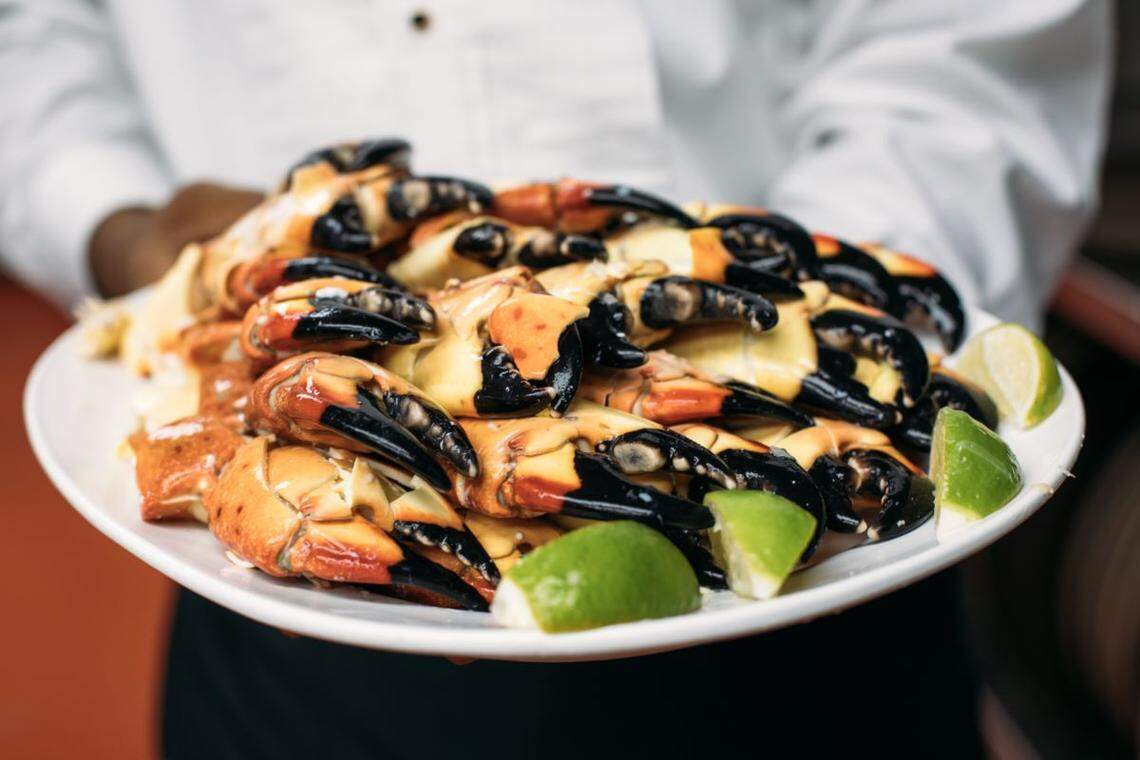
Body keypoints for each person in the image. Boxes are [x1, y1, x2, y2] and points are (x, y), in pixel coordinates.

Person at [0, 2, 1110, 757]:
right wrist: (115, 218)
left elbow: (960, 46)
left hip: (816, 591)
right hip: (288, 605)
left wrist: (823, 345)